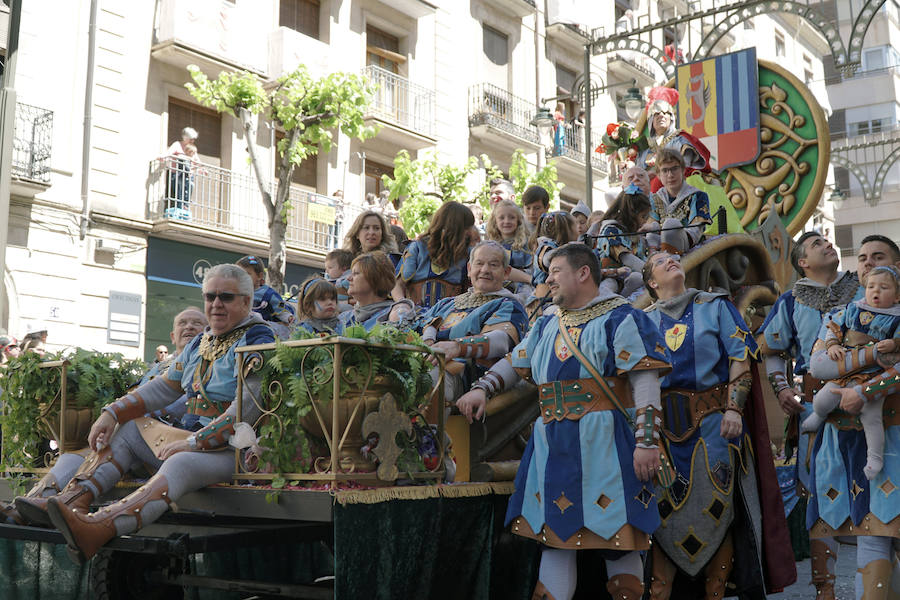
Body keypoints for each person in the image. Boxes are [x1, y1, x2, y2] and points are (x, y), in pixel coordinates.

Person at [457, 243, 670, 600]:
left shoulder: (623, 317)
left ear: (583, 273)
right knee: (554, 540)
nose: (548, 280)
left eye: (556, 272)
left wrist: (646, 443)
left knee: (619, 540)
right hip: (552, 448)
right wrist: (482, 388)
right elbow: (515, 361)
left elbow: (646, 382)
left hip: (607, 447)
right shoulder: (546, 323)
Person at [36, 266, 273, 562]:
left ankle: (99, 528)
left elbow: (246, 411)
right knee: (128, 429)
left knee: (181, 462)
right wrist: (112, 413)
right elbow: (163, 388)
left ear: (246, 302)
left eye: (226, 297)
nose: (216, 304)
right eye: (210, 296)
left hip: (236, 449)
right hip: (191, 440)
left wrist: (192, 443)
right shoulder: (202, 342)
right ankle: (73, 504)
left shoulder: (259, 338)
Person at [642, 251, 795, 599]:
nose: (672, 260)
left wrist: (734, 411)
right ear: (651, 282)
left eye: (674, 256)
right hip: (662, 436)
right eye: (661, 260)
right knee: (663, 526)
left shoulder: (714, 306)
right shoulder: (641, 321)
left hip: (713, 427)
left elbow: (740, 357)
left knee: (720, 516)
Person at [8, 307, 209, 527]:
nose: (189, 327)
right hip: (130, 440)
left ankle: (64, 505)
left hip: (169, 443)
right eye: (183, 323)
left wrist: (120, 416)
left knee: (119, 434)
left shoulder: (204, 361)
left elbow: (176, 404)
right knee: (76, 454)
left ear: (205, 331)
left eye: (196, 323)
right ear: (172, 335)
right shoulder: (157, 367)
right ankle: (23, 508)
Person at [756, 231, 859, 599]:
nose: (827, 245)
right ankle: (825, 590)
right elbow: (770, 350)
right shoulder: (790, 302)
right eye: (816, 245)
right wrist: (781, 388)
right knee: (822, 494)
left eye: (827, 242)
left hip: (875, 401)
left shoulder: (867, 287)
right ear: (802, 262)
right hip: (819, 411)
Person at [802, 266, 900, 480]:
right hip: (844, 369)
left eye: (884, 287)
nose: (876, 291)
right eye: (871, 286)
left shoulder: (897, 317)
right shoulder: (853, 309)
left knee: (871, 415)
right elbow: (834, 327)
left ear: (897, 295)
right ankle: (818, 415)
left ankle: (875, 457)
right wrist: (832, 344)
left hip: (875, 375)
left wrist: (893, 343)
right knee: (822, 399)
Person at [420, 241, 528, 403]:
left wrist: (457, 347)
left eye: (493, 265)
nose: (485, 270)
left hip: (466, 378)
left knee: (429, 378)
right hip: (427, 362)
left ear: (506, 273)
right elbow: (423, 323)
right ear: (470, 269)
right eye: (479, 264)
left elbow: (500, 341)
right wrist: (428, 339)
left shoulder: (508, 305)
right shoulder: (446, 303)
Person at [396, 201, 473, 308]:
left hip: (451, 317)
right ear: (454, 227)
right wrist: (402, 305)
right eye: (467, 228)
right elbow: (397, 285)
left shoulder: (468, 253)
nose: (470, 233)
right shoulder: (417, 248)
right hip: (415, 315)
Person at [645, 149, 711, 255]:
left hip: (689, 249)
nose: (670, 175)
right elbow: (652, 228)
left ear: (683, 170)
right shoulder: (654, 199)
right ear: (658, 174)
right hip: (658, 249)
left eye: (674, 169)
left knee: (671, 224)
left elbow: (695, 232)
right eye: (665, 170)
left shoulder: (698, 196)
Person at [636, 87, 709, 176]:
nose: (661, 116)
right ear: (651, 120)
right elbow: (638, 171)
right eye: (656, 113)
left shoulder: (680, 140)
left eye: (665, 112)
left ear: (671, 118)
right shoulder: (647, 146)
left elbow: (684, 168)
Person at [593, 185, 650, 298]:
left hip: (630, 278)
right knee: (609, 286)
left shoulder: (635, 235)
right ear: (631, 214)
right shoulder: (611, 231)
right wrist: (652, 272)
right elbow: (626, 258)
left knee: (636, 278)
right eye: (643, 216)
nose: (645, 221)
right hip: (610, 278)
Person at [340, 251, 409, 330]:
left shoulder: (395, 315)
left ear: (375, 278)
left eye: (355, 273)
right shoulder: (343, 318)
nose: (348, 278)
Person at [527, 211, 576, 320]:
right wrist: (569, 250)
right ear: (568, 229)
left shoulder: (553, 246)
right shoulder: (546, 246)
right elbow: (545, 259)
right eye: (576, 225)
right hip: (545, 303)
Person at [484, 199, 533, 300]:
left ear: (518, 220)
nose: (506, 221)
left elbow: (531, 272)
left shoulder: (527, 244)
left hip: (522, 288)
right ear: (495, 221)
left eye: (511, 217)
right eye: (501, 218)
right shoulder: (490, 246)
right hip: (495, 286)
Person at [237, 255, 294, 338]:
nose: (242, 278)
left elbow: (280, 309)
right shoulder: (235, 293)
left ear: (259, 276)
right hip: (240, 331)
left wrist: (288, 318)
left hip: (262, 332)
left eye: (247, 274)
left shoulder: (268, 294)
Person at [162, 126, 199, 219]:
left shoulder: (191, 148)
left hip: (188, 175)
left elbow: (197, 161)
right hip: (177, 174)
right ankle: (178, 211)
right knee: (178, 193)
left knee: (187, 192)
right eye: (191, 139)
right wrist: (162, 157)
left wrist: (202, 169)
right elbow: (168, 153)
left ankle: (185, 210)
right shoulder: (177, 145)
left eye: (193, 139)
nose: (192, 141)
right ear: (185, 138)